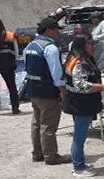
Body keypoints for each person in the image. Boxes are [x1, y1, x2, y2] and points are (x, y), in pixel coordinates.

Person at [63, 35, 104, 177]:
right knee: (79, 136)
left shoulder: (84, 60)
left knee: (81, 135)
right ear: (82, 45)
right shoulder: (78, 63)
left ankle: (80, 162)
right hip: (81, 103)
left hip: (83, 102)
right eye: (90, 44)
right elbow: (81, 85)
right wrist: (102, 86)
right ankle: (78, 167)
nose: (93, 46)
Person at [24, 18, 70, 165]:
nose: (58, 33)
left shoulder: (31, 45)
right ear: (49, 30)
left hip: (33, 89)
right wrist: (62, 91)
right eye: (56, 30)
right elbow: (56, 73)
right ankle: (51, 155)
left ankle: (37, 153)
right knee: (48, 125)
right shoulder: (50, 48)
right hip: (47, 91)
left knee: (37, 123)